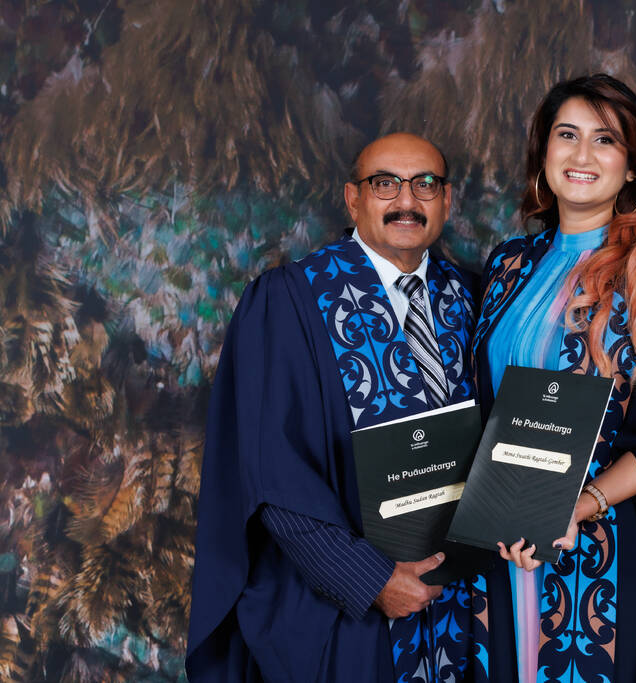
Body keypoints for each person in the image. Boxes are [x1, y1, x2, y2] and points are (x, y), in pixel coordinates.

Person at [186, 133, 489, 682]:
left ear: (447, 202)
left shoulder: (477, 299)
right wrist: (369, 580)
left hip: (468, 612)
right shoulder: (288, 300)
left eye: (425, 184)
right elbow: (271, 471)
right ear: (353, 200)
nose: (406, 201)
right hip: (349, 617)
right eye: (384, 184)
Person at [472, 74, 636, 681]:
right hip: (499, 540)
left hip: (599, 550)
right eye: (567, 135)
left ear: (630, 167)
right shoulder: (507, 266)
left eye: (605, 140)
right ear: (544, 154)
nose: (582, 156)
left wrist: (583, 505)